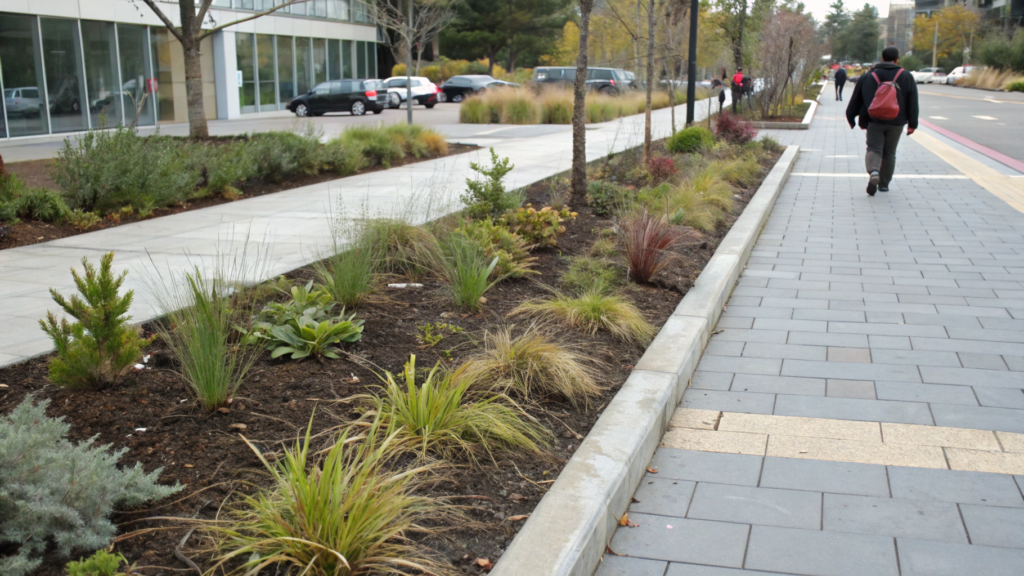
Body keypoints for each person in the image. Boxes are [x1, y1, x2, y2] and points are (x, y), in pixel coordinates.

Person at [845, 46, 919, 196]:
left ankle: (874, 172)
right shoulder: (906, 76)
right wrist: (912, 124)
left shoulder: (868, 76)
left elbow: (856, 98)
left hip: (874, 120)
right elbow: (913, 101)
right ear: (897, 59)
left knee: (874, 149)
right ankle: (884, 184)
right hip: (897, 121)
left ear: (883, 58)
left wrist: (851, 118)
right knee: (889, 153)